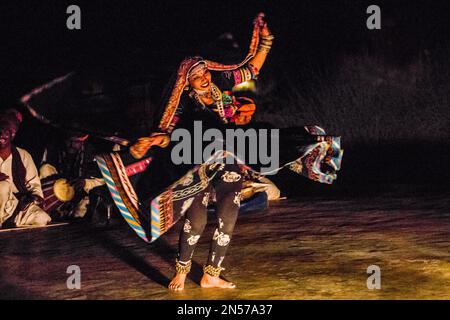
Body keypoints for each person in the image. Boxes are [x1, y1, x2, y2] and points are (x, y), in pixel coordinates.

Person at [95, 13, 342, 292]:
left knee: (228, 214)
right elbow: (168, 135)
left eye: (204, 71)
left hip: (228, 160)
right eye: (196, 75)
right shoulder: (184, 105)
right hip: (198, 165)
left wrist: (266, 40)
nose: (202, 77)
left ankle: (211, 274)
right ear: (186, 83)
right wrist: (151, 142)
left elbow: (252, 71)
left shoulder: (220, 86)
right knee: (197, 220)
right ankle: (182, 269)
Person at [0, 110, 51, 228]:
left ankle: (9, 221)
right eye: (0, 129)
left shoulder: (23, 155)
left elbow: (34, 186)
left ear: (13, 134)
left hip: (15, 205)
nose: (2, 135)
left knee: (43, 218)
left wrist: (34, 199)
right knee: (3, 186)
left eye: (8, 131)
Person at [39, 132, 105, 219]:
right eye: (69, 141)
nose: (71, 145)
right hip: (57, 190)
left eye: (76, 142)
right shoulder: (53, 147)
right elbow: (44, 171)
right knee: (45, 169)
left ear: (82, 142)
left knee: (80, 214)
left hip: (80, 195)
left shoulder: (91, 152)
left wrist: (85, 183)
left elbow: (103, 180)